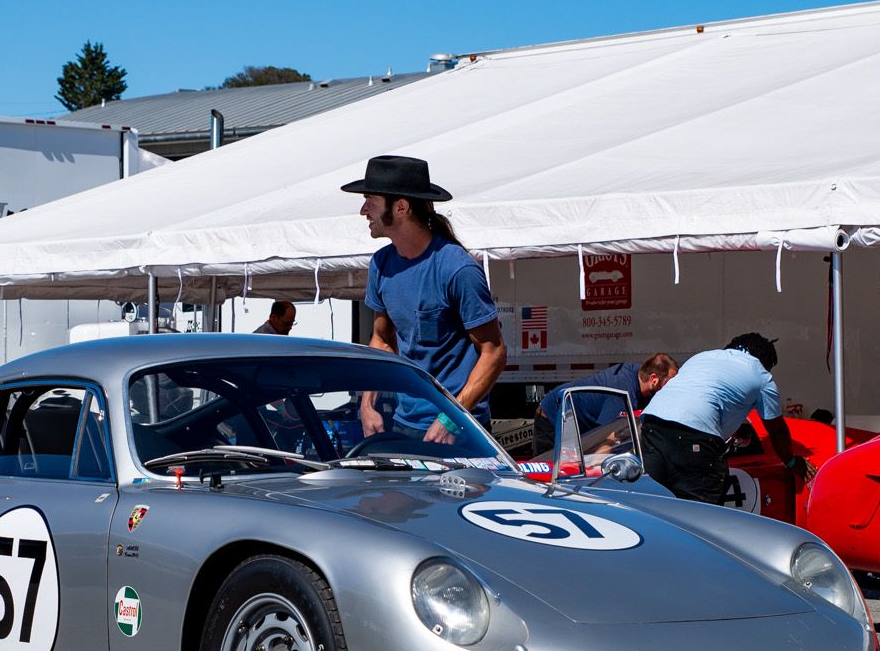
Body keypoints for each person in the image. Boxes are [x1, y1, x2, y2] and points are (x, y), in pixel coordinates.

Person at [341, 155, 506, 443]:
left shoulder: (457, 268)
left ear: (401, 207)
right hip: (406, 424)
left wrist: (452, 418)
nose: (363, 210)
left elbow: (494, 353)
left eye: (370, 200)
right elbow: (382, 341)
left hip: (462, 429)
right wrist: (367, 405)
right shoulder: (381, 264)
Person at [639, 333, 806, 503]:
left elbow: (701, 397)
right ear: (765, 362)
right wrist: (792, 462)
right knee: (699, 515)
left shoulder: (702, 357)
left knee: (652, 504)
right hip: (694, 437)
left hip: (652, 423)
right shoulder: (762, 377)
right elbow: (776, 429)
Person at [532, 353, 678, 456]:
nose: (672, 389)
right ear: (653, 379)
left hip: (575, 422)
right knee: (551, 474)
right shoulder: (621, 391)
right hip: (553, 417)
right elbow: (605, 439)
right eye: (668, 383)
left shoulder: (638, 376)